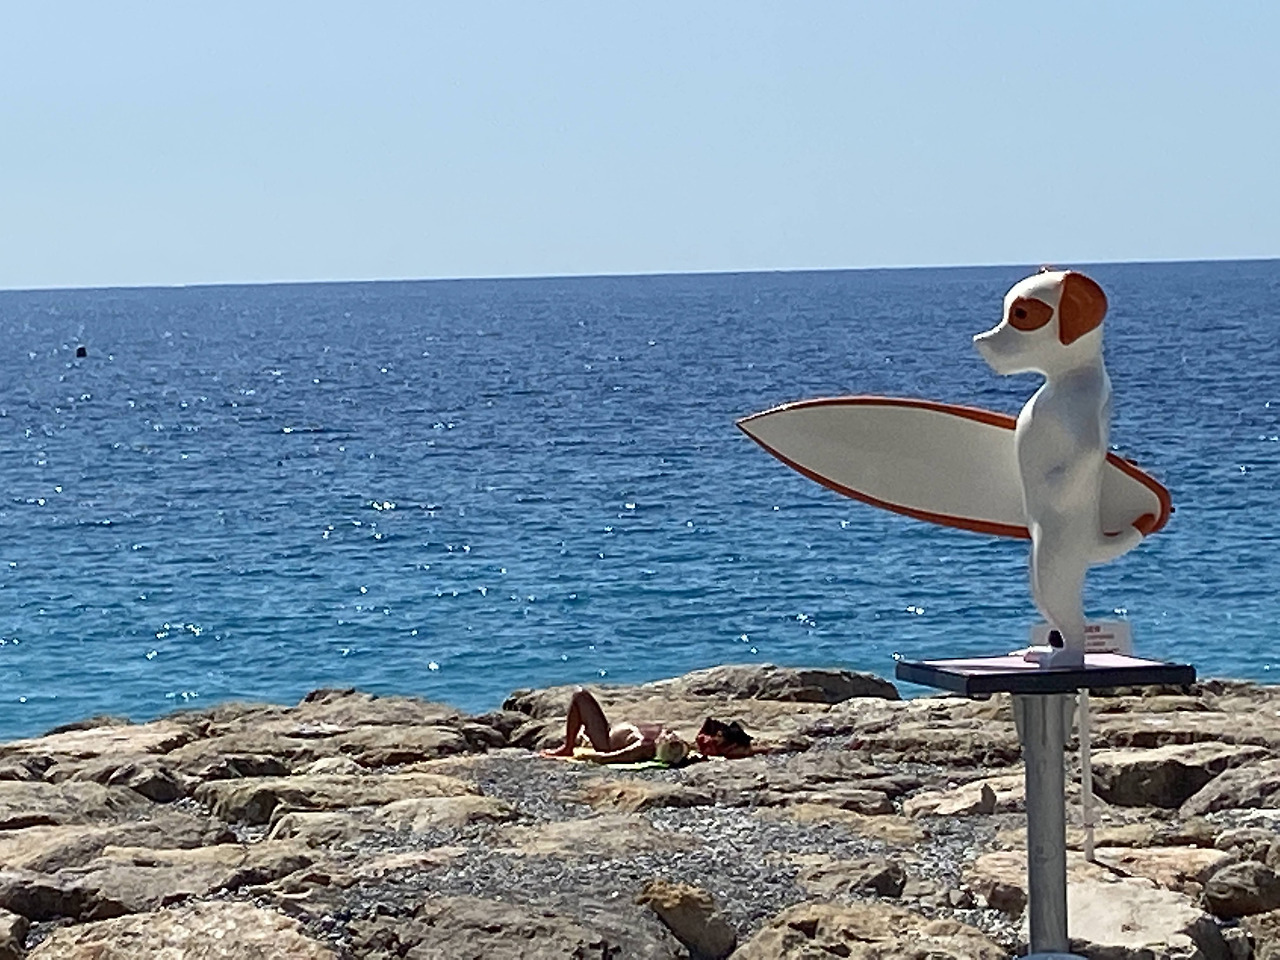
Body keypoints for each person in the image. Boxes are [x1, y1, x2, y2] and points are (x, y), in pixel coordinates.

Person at [540, 689, 690, 765]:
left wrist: (590, 757)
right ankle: (578, 738)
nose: (671, 735)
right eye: (672, 736)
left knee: (580, 696)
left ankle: (568, 747)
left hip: (605, 740)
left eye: (670, 739)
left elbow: (613, 757)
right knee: (581, 698)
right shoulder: (660, 737)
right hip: (611, 730)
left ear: (663, 744)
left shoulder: (645, 745)